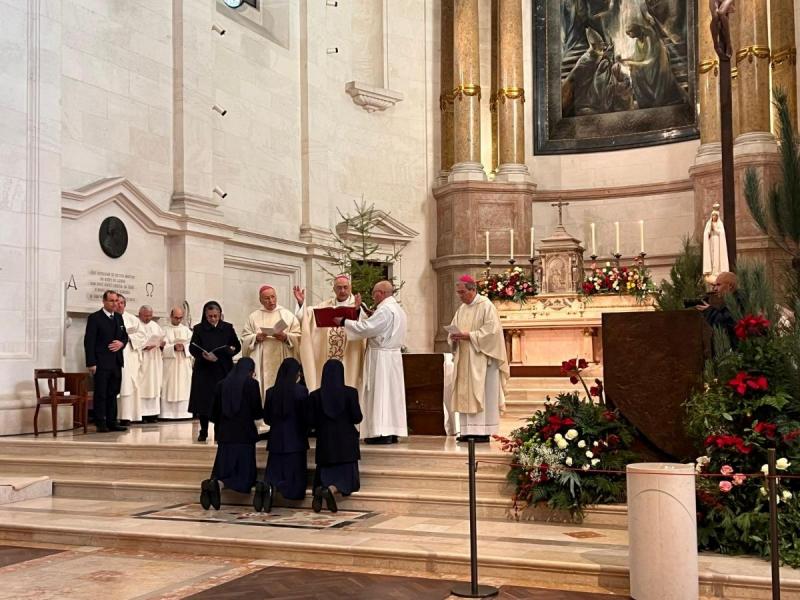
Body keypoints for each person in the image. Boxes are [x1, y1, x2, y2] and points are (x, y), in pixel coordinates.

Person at [334, 280, 407, 445]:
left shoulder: (385, 310)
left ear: (381, 293)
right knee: (392, 395)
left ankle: (380, 432)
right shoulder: (396, 309)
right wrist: (364, 311)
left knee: (379, 392)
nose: (373, 296)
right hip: (392, 356)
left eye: (374, 293)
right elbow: (378, 325)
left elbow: (366, 328)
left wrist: (344, 322)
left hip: (381, 357)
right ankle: (392, 431)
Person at [448, 275, 510, 442]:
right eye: (458, 293)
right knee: (465, 393)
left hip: (482, 358)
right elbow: (454, 329)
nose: (460, 296)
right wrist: (453, 337)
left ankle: (482, 432)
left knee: (481, 393)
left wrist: (469, 335)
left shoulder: (486, 306)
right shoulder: (461, 309)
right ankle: (467, 431)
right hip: (464, 357)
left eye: (462, 292)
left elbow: (492, 332)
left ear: (473, 289)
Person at [200, 357, 263, 511]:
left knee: (225, 468)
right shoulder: (251, 384)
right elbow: (256, 412)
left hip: (225, 435)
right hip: (244, 435)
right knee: (244, 474)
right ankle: (219, 485)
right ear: (250, 371)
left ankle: (217, 483)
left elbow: (214, 413)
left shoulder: (221, 384)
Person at [254, 357, 309, 512]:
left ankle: (269, 487)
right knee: (294, 475)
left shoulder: (271, 392)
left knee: (275, 470)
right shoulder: (301, 391)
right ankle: (287, 492)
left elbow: (268, 419)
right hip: (296, 439)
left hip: (276, 439)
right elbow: (306, 417)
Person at [295, 275, 366, 390]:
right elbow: (307, 316)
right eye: (339, 288)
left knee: (348, 384)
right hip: (327, 355)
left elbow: (365, 326)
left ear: (350, 288)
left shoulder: (358, 305)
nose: (342, 291)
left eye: (345, 287)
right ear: (334, 289)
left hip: (350, 354)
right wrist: (301, 304)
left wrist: (357, 311)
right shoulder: (325, 305)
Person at [309, 360, 362, 513]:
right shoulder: (350, 393)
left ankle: (323, 488)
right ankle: (331, 490)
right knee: (348, 481)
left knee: (325, 473)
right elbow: (357, 417)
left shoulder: (315, 395)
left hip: (326, 443)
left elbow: (311, 421)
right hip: (347, 445)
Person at [189, 301, 242, 442]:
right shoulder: (199, 329)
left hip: (222, 368)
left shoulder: (228, 328)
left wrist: (230, 351)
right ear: (205, 315)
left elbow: (236, 346)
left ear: (220, 315)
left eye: (215, 316)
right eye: (210, 316)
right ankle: (204, 430)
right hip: (204, 370)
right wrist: (203, 355)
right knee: (204, 401)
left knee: (221, 401)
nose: (213, 319)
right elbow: (193, 348)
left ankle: (219, 431)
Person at [241, 285, 302, 396]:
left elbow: (299, 336)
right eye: (267, 298)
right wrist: (255, 338)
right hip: (261, 361)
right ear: (260, 300)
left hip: (282, 356)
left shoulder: (287, 315)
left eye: (273, 297)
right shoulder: (253, 317)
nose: (271, 301)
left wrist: (286, 337)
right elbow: (245, 337)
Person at [84, 290, 128, 433]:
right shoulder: (95, 318)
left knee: (113, 393)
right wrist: (91, 362)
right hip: (101, 362)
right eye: (111, 301)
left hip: (116, 362)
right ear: (104, 301)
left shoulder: (119, 318)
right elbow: (89, 341)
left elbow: (124, 336)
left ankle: (112, 421)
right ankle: (100, 422)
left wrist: (121, 343)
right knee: (101, 393)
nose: (114, 303)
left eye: (116, 301)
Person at [160, 306, 193, 419]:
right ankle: (167, 413)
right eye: (176, 317)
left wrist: (184, 348)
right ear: (171, 316)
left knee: (184, 386)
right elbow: (160, 346)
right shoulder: (164, 330)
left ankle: (184, 413)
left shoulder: (186, 330)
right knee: (169, 386)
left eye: (180, 318)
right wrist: (173, 347)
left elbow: (192, 346)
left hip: (183, 363)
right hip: (170, 364)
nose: (178, 320)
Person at [696, 271, 743, 347]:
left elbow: (725, 323)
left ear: (730, 286)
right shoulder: (731, 300)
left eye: (718, 285)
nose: (715, 289)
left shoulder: (738, 301)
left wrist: (709, 311)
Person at [115, 293, 142, 425]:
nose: (119, 305)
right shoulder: (110, 318)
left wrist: (128, 337)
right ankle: (114, 416)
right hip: (115, 356)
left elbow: (142, 336)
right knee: (117, 385)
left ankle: (126, 416)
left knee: (128, 384)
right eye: (117, 302)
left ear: (125, 305)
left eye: (122, 303)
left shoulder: (132, 319)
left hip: (129, 355)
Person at [135, 305, 164, 423]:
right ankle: (141, 414)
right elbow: (133, 341)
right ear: (139, 314)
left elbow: (161, 339)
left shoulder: (155, 326)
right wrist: (143, 346)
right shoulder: (136, 325)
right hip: (142, 360)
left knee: (154, 385)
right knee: (143, 386)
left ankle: (152, 414)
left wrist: (161, 344)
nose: (148, 318)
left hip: (154, 360)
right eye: (146, 315)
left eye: (150, 315)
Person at [703, 203, 729, 280]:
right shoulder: (709, 223)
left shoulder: (719, 224)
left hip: (718, 241)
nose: (714, 217)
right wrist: (708, 232)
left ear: (717, 217)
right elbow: (706, 232)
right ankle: (712, 271)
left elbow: (722, 233)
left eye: (715, 216)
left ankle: (717, 270)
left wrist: (716, 230)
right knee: (712, 255)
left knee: (717, 256)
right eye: (713, 216)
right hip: (711, 241)